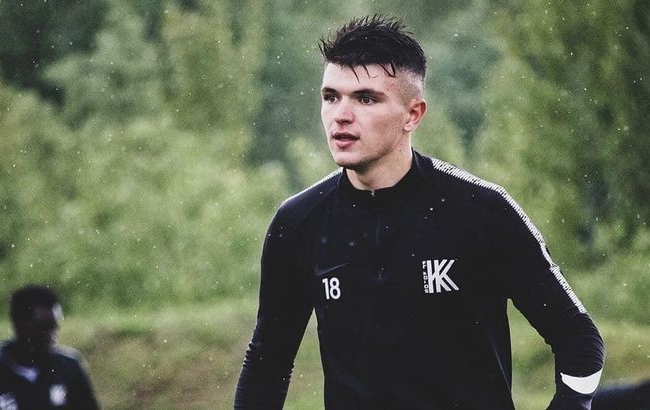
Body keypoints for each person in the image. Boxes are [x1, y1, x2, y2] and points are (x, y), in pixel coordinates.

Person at [234, 15, 605, 409]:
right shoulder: (297, 222)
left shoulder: (481, 211)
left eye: (365, 98)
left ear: (413, 114)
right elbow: (267, 362)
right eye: (331, 97)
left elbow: (579, 339)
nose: (341, 114)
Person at [0, 285, 99, 409]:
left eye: (54, 327)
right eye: (44, 328)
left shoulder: (69, 369)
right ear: (19, 325)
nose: (51, 335)